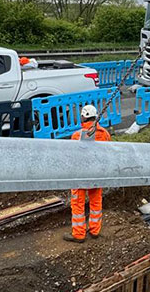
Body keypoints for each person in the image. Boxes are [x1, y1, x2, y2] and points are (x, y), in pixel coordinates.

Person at [63, 104, 111, 243]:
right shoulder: (105, 134)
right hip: (98, 174)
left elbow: (72, 157)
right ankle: (95, 230)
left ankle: (79, 234)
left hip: (81, 175)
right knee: (96, 201)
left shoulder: (77, 135)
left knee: (78, 203)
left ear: (83, 117)